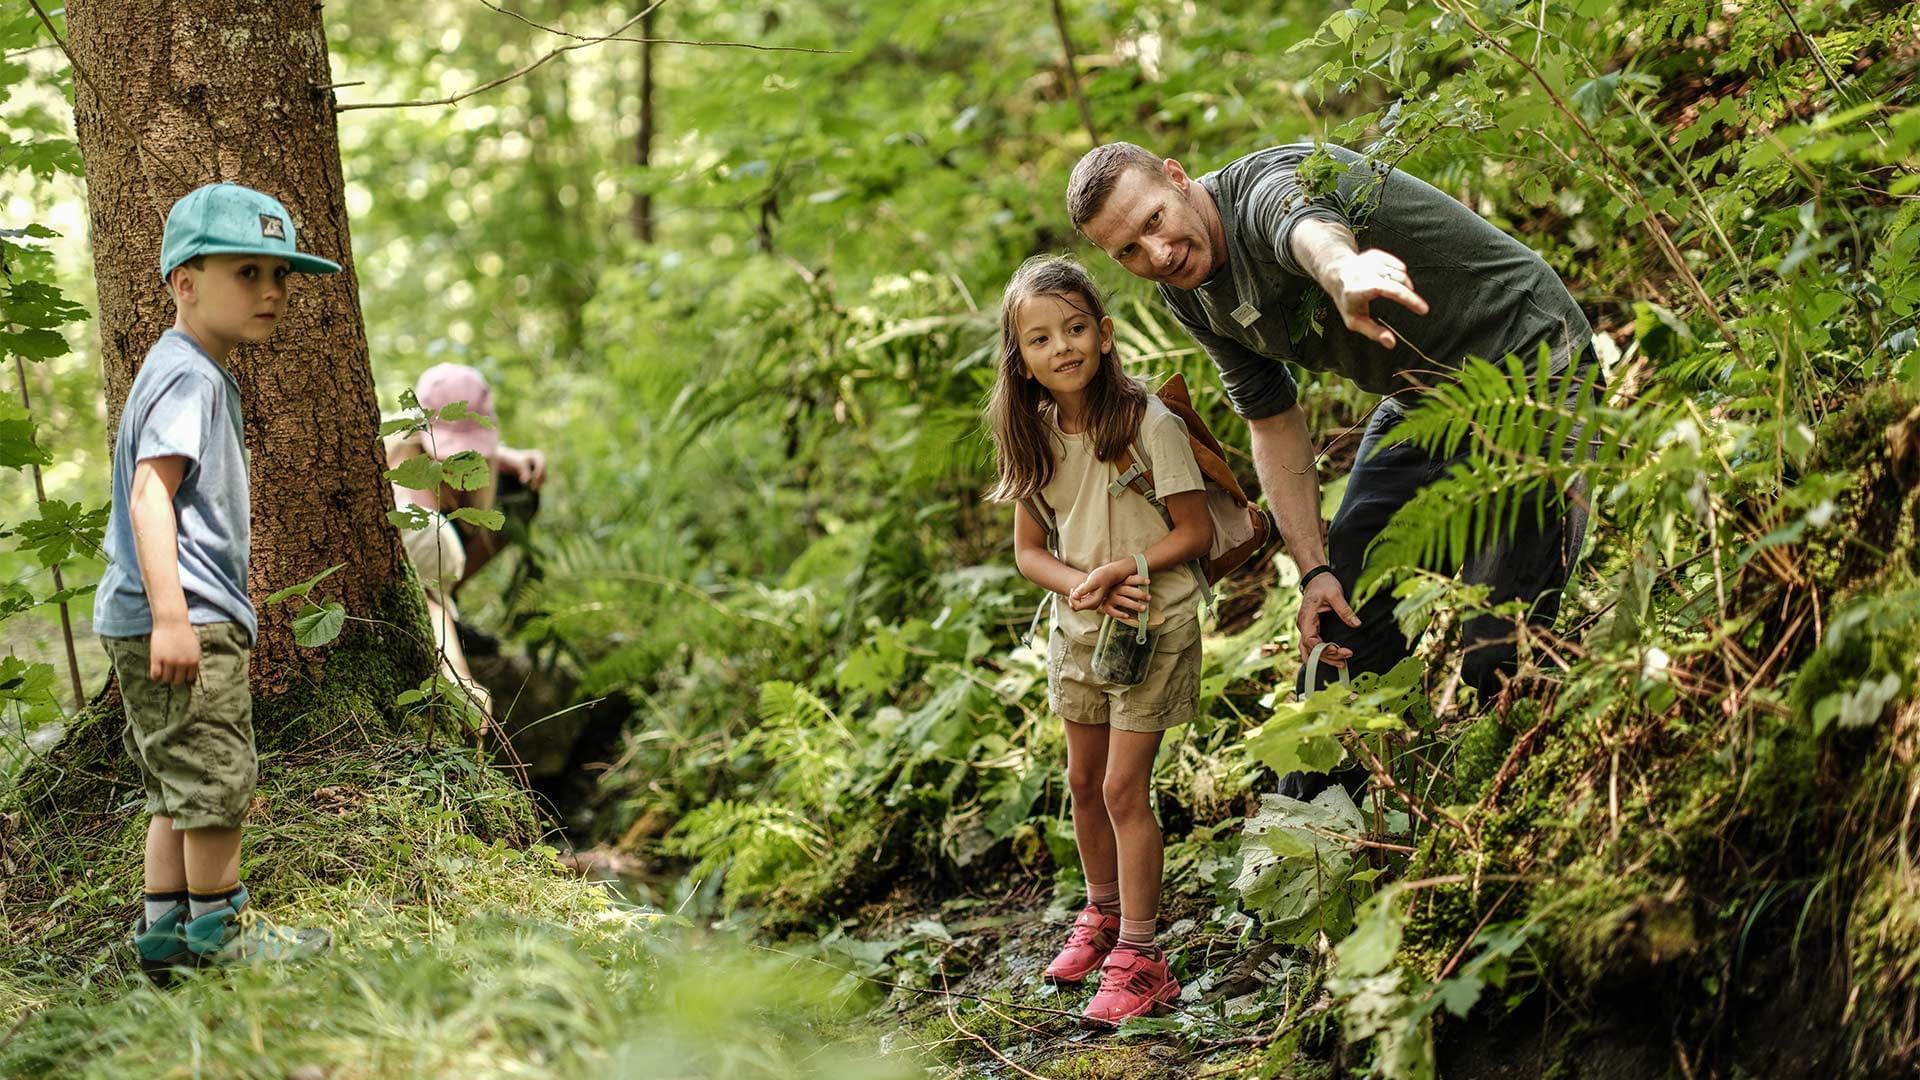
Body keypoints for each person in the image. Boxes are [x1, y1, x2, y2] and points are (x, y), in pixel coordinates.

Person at [1070, 141, 1596, 794]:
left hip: (1532, 365)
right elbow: (1271, 419)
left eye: (1153, 222)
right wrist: (1315, 568)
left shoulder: (1263, 188)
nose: (1157, 255)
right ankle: (1312, 849)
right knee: (1338, 629)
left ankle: (1516, 812)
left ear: (1177, 179)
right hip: (1425, 401)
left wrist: (1343, 272)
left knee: (1499, 647)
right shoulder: (1190, 294)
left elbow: (1303, 222)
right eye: (1128, 251)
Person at [93, 182, 336, 983]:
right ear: (184, 282)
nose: (270, 293)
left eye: (280, 277)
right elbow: (148, 495)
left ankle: (165, 937)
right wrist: (173, 616)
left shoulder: (185, 366)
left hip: (161, 612)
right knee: (218, 783)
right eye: (247, 273)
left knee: (176, 784)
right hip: (184, 614)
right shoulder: (190, 377)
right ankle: (220, 937)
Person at [987, 255, 1213, 1024]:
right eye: (1043, 338)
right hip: (1080, 630)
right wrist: (1082, 582)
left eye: (1076, 328)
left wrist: (1128, 566)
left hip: (1155, 624)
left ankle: (1146, 956)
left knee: (1123, 789)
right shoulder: (1036, 433)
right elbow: (1030, 551)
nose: (1064, 348)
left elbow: (1196, 529)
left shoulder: (1150, 422)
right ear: (1021, 360)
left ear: (1106, 334)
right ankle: (1105, 913)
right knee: (1084, 785)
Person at [383, 363, 547, 714]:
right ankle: (448, 613)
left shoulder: (484, 470)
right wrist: (458, 676)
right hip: (422, 571)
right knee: (431, 575)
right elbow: (427, 599)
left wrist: (504, 457)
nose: (459, 462)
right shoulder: (403, 491)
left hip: (441, 558)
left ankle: (451, 594)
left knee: (519, 494)